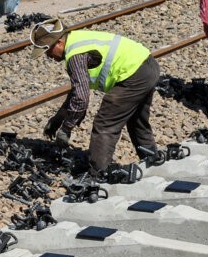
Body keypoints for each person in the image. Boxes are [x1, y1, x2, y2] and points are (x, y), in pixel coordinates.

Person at [32, 17, 159, 179]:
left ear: (59, 43)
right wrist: (58, 120)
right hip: (147, 66)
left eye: (48, 51)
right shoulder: (76, 40)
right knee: (137, 119)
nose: (48, 57)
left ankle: (98, 175)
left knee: (104, 123)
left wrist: (66, 129)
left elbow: (81, 98)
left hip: (133, 75)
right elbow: (77, 91)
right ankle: (152, 159)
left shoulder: (75, 55)